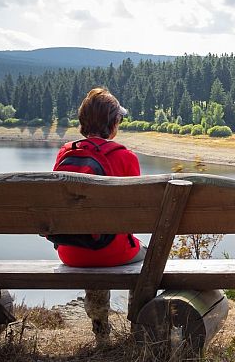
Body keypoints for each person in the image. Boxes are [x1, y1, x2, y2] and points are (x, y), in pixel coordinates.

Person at [50, 87, 145, 342]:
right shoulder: (125, 158)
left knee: (92, 239)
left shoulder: (65, 153)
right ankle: (138, 325)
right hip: (114, 251)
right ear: (113, 123)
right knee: (147, 259)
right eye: (119, 119)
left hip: (71, 251)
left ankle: (100, 326)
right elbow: (137, 215)